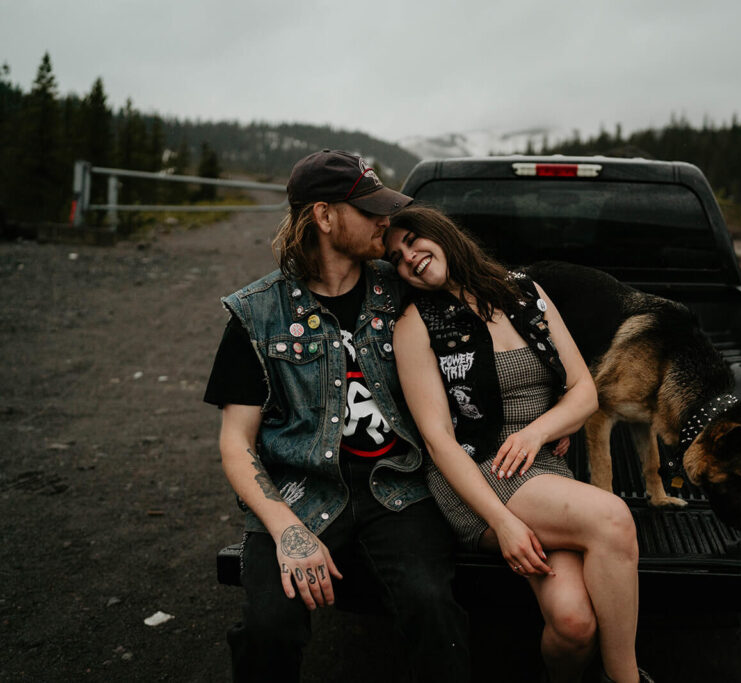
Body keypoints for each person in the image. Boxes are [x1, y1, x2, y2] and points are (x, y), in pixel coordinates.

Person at [204, 151, 470, 682]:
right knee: (268, 631)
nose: (385, 222)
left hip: (397, 486)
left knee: (432, 607)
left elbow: (481, 337)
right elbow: (236, 444)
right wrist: (286, 531)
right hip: (301, 492)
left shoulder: (401, 292)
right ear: (324, 218)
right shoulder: (257, 314)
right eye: (369, 210)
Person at [384, 205, 653, 683]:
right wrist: (502, 523)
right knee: (612, 518)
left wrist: (538, 431)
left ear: (441, 234)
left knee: (573, 623)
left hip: (539, 463)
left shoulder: (524, 293)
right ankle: (625, 678)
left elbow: (583, 392)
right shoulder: (415, 323)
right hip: (476, 473)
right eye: (397, 257)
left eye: (412, 241)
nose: (409, 258)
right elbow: (438, 440)